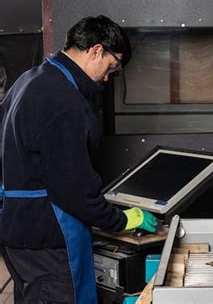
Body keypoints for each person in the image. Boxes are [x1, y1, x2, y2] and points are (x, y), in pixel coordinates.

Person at [0, 15, 157, 303]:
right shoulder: (64, 101)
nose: (108, 78)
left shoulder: (29, 80)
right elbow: (73, 189)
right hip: (49, 236)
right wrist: (120, 220)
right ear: (97, 50)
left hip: (15, 231)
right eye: (112, 67)